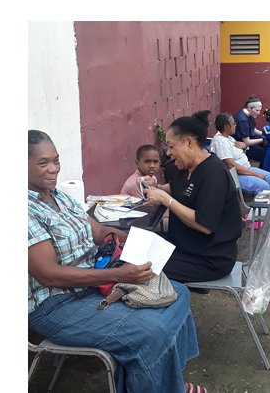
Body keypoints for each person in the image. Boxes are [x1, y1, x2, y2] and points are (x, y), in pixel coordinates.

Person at [26, 131, 201, 393]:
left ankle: (167, 382)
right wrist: (119, 276)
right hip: (55, 304)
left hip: (92, 285)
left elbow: (98, 232)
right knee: (150, 332)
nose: (53, 169)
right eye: (43, 163)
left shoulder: (60, 197)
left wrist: (143, 241)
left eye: (56, 160)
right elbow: (49, 275)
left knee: (179, 293)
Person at [138, 111, 244, 283]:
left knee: (139, 266)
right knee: (136, 247)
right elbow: (174, 189)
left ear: (189, 143)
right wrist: (156, 187)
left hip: (209, 259)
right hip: (184, 245)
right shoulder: (185, 168)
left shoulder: (213, 172)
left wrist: (167, 201)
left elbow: (205, 225)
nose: (169, 154)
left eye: (171, 147)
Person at [210, 111, 270, 193]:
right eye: (233, 123)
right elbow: (231, 165)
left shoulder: (229, 138)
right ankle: (262, 205)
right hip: (235, 175)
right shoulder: (220, 142)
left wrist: (244, 146)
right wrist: (255, 174)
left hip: (246, 169)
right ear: (226, 126)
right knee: (263, 186)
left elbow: (241, 154)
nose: (235, 125)